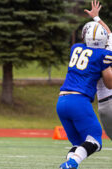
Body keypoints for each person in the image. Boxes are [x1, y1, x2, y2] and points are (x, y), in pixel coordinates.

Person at [57, 1, 112, 168]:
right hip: (81, 101)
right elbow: (109, 84)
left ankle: (68, 164)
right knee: (95, 141)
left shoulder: (76, 48)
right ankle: (71, 164)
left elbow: (106, 35)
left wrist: (96, 19)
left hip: (62, 101)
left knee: (79, 143)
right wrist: (108, 64)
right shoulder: (104, 55)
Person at [85, 0, 112, 141]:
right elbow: (109, 33)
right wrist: (97, 18)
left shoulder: (85, 56)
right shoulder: (107, 51)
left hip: (104, 104)